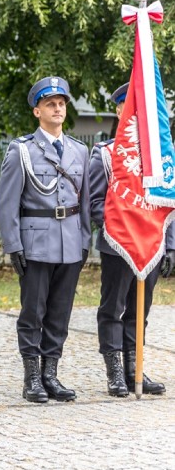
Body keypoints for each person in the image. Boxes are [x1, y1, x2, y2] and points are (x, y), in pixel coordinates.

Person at [0, 76, 90, 403]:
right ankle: (32, 378)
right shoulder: (21, 150)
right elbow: (7, 201)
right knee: (33, 312)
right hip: (36, 242)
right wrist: (13, 245)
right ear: (37, 111)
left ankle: (51, 375)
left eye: (62, 103)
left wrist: (85, 240)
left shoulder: (79, 151)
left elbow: (86, 199)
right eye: (51, 104)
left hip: (70, 242)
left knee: (60, 312)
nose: (58, 109)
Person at [89, 82, 170, 397]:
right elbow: (96, 204)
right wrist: (119, 233)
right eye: (128, 106)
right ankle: (115, 373)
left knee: (141, 309)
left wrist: (170, 244)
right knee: (113, 308)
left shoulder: (157, 156)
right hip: (118, 246)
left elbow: (167, 202)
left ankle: (135, 368)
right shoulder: (106, 155)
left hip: (150, 245)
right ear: (119, 110)